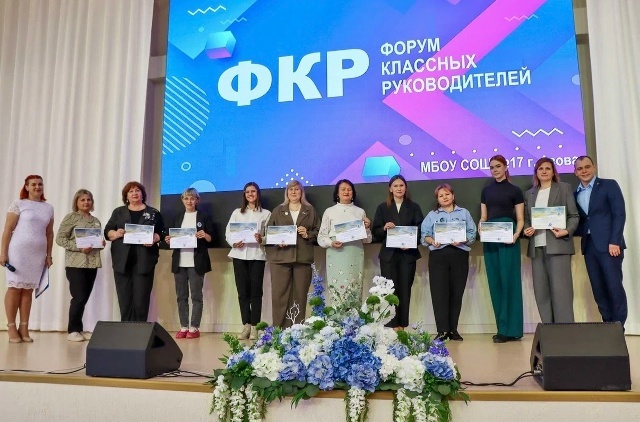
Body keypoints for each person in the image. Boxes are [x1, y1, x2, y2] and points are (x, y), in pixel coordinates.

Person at [523, 158, 579, 324]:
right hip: (537, 247)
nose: (544, 171)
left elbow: (574, 215)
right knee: (542, 293)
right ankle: (549, 330)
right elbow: (527, 219)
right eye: (541, 168)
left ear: (553, 171)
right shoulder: (530, 194)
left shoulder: (564, 188)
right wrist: (527, 229)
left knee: (562, 292)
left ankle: (565, 330)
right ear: (536, 172)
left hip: (558, 245)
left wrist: (566, 231)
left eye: (548, 168)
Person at [573, 156, 627, 326]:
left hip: (610, 246)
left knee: (614, 287)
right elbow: (581, 221)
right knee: (599, 290)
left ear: (594, 167)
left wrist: (615, 241)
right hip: (589, 247)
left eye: (587, 167)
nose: (584, 171)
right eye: (580, 168)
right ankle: (607, 326)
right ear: (575, 172)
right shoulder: (575, 194)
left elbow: (619, 214)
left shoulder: (609, 185)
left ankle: (619, 327)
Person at [0, 175, 54, 343]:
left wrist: (49, 255)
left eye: (40, 184)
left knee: (28, 290)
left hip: (37, 254)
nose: (37, 187)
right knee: (14, 288)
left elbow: (49, 233)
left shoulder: (48, 208)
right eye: (34, 184)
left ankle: (24, 327)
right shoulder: (18, 204)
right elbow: (7, 229)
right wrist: (3, 253)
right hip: (18, 252)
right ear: (27, 187)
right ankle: (11, 327)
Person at [421, 184, 476, 341]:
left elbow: (472, 233)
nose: (444, 197)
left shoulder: (464, 213)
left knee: (456, 293)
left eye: (447, 194)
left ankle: (453, 330)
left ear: (453, 196)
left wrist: (463, 239)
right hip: (439, 256)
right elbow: (424, 235)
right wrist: (432, 241)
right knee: (439, 293)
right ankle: (442, 330)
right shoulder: (432, 215)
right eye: (441, 195)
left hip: (459, 254)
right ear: (437, 199)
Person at [480, 155, 524, 343]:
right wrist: (481, 226)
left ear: (506, 167)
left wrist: (516, 235)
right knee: (495, 282)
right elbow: (484, 216)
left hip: (508, 238)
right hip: (490, 238)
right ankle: (502, 328)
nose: (495, 170)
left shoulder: (515, 190)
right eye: (492, 167)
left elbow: (520, 219)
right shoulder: (486, 191)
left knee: (510, 281)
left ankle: (512, 329)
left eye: (498, 166)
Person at [104, 181, 164, 322]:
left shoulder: (153, 213)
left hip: (144, 261)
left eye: (137, 190)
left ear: (143, 194)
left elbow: (162, 232)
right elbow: (107, 231)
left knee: (141, 298)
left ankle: (140, 330)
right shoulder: (118, 212)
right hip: (122, 262)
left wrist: (155, 238)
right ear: (126, 196)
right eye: (130, 191)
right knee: (124, 298)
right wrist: (115, 233)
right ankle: (126, 328)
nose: (134, 193)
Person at [265, 180, 319, 328]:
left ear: (302, 192)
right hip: (280, 258)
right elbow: (269, 232)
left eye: (297, 189)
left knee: (300, 296)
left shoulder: (310, 210)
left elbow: (318, 231)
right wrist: (277, 241)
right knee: (279, 296)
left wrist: (308, 234)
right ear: (287, 193)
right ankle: (279, 330)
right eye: (291, 189)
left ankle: (296, 329)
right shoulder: (278, 210)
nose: (294, 192)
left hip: (303, 258)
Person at [372, 175, 423, 331]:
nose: (399, 188)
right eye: (395, 186)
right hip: (389, 256)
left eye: (401, 185)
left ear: (405, 188)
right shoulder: (382, 207)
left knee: (405, 291)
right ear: (390, 189)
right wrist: (384, 228)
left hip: (408, 256)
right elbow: (375, 232)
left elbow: (421, 230)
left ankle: (402, 326)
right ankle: (391, 326)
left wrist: (411, 243)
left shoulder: (414, 207)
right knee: (389, 291)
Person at [56, 189, 104, 342]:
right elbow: (60, 239)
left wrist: (101, 243)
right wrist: (79, 247)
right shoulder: (70, 218)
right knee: (78, 297)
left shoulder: (95, 220)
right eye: (82, 200)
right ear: (76, 202)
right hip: (75, 264)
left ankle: (79, 329)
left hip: (92, 264)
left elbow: (95, 241)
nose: (86, 202)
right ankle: (73, 330)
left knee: (84, 298)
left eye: (88, 199)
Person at [164, 188, 212, 339]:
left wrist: (205, 235)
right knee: (181, 296)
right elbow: (171, 237)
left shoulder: (204, 217)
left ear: (197, 200)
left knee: (196, 296)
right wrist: (168, 240)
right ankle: (184, 326)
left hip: (196, 261)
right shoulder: (177, 217)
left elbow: (212, 238)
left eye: (192, 198)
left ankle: (194, 327)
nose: (189, 201)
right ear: (182, 200)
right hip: (179, 261)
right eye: (186, 198)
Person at [225, 182, 271, 340]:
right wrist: (234, 242)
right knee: (243, 292)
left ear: (258, 193)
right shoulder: (237, 213)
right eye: (247, 192)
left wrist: (261, 238)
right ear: (244, 195)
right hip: (239, 255)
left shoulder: (266, 213)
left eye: (253, 191)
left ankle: (255, 327)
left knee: (256, 292)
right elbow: (228, 232)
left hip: (257, 255)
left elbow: (269, 235)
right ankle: (246, 325)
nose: (250, 194)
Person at [318, 179, 372, 310]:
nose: (346, 192)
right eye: (343, 189)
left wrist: (367, 228)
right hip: (336, 254)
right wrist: (331, 242)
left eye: (349, 189)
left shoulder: (360, 212)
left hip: (355, 254)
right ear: (337, 193)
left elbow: (367, 240)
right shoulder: (329, 211)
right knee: (338, 290)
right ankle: (338, 320)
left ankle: (355, 320)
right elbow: (321, 237)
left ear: (353, 193)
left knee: (354, 289)